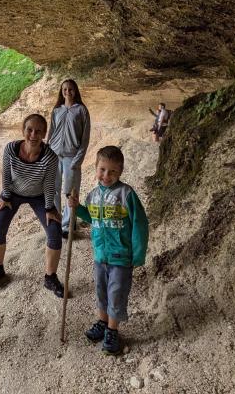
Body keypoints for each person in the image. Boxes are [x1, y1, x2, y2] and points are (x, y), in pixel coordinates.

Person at [67, 146, 149, 355]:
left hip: (121, 256)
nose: (106, 175)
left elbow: (140, 224)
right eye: (102, 170)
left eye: (112, 171)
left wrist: (138, 254)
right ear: (95, 168)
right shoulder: (93, 195)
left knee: (116, 293)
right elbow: (93, 218)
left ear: (120, 171)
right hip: (100, 255)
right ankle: (103, 323)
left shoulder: (126, 194)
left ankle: (112, 331)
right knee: (101, 291)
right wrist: (78, 208)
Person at [0, 114, 65, 297]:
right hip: (12, 194)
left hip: (38, 196)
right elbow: (6, 175)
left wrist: (49, 208)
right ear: (23, 130)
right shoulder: (11, 149)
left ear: (44, 134)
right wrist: (5, 197)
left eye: (38, 131)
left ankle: (50, 277)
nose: (33, 135)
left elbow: (49, 185)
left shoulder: (50, 158)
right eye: (29, 130)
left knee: (54, 231)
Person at [47, 79, 91, 239]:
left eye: (70, 89)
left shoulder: (81, 110)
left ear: (75, 90)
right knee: (53, 189)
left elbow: (85, 137)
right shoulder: (57, 110)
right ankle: (56, 221)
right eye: (64, 89)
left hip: (72, 156)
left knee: (70, 192)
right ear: (61, 91)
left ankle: (68, 225)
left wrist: (78, 160)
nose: (67, 92)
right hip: (54, 154)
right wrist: (46, 152)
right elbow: (51, 132)